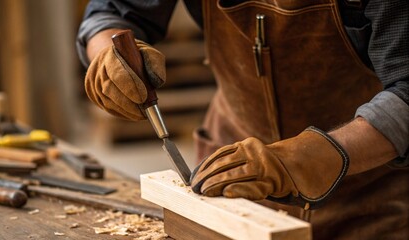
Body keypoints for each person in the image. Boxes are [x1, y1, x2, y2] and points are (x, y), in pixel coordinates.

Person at [77, 0, 408, 239]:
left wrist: (309, 158)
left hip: (366, 190)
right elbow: (110, 11)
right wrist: (109, 56)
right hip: (228, 180)